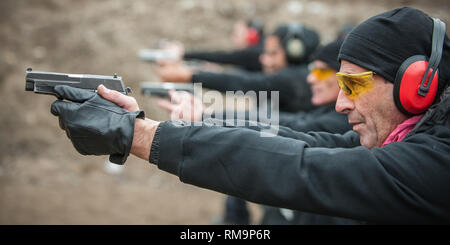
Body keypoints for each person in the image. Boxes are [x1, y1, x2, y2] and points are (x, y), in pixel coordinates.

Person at [50, 7, 450, 224]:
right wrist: (174, 127)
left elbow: (301, 165)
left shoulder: (438, 163)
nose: (341, 103)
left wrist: (141, 136)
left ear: (418, 84)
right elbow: (301, 140)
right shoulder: (409, 137)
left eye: (354, 85)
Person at [158, 38, 361, 224]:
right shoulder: (326, 106)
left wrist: (204, 107)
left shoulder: (294, 81)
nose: (311, 79)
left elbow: (293, 123)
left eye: (320, 72)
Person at [155, 22, 320, 113]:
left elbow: (244, 83)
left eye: (273, 54)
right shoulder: (297, 76)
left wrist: (191, 75)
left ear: (294, 53)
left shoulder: (293, 80)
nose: (264, 59)